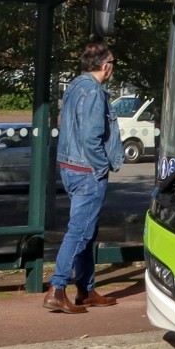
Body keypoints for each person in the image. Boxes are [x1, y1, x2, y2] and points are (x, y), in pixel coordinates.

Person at [47, 39, 123, 314]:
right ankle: (57, 289)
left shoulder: (75, 87)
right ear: (105, 66)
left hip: (71, 168)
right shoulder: (93, 92)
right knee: (79, 231)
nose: (113, 68)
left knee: (87, 231)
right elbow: (92, 137)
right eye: (113, 63)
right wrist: (101, 168)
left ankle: (86, 289)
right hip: (87, 172)